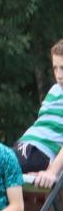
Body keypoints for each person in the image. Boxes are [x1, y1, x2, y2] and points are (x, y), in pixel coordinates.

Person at [12, 41, 63, 193]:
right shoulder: (55, 90)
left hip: (40, 152)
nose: (59, 75)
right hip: (24, 148)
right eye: (55, 68)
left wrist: (52, 171)